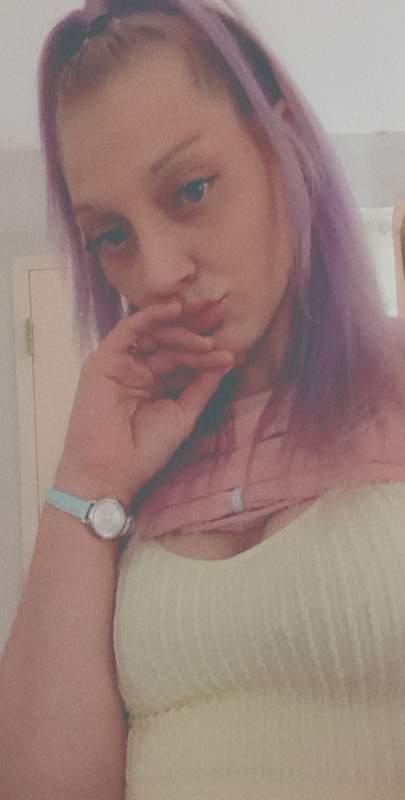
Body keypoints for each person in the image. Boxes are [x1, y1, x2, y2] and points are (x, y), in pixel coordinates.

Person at [1, 1, 405, 798]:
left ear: (282, 146)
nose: (156, 274)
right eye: (110, 235)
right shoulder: (119, 475)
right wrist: (87, 479)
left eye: (190, 189)